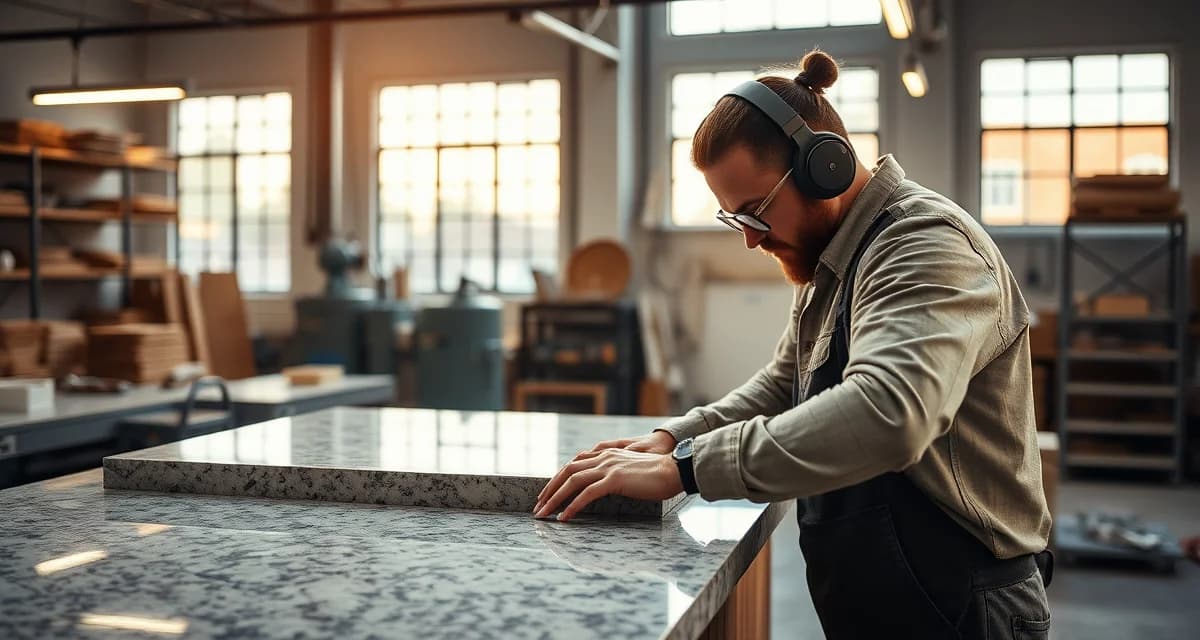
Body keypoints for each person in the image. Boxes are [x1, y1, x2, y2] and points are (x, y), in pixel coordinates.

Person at [533, 49, 1054, 639]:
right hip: (893, 595)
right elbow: (787, 385)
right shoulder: (836, 259)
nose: (752, 241)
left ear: (824, 168)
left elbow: (890, 413)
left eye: (756, 211)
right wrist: (672, 439)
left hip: (964, 601)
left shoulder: (924, 245)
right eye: (737, 219)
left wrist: (689, 470)